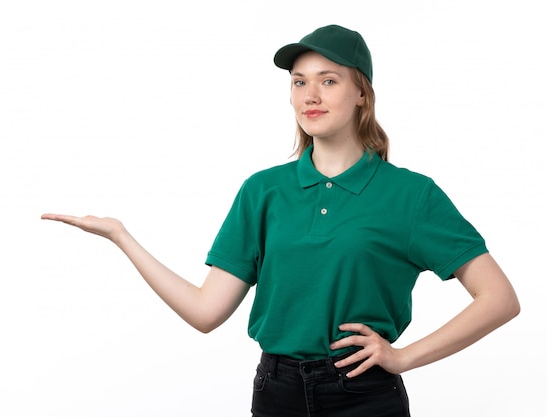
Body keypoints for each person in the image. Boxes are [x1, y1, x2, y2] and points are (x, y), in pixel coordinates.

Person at [41, 24, 520, 417]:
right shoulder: (263, 190)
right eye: (298, 81)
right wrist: (122, 237)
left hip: (364, 397)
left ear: (361, 93)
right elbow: (207, 312)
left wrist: (402, 358)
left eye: (328, 80)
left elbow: (499, 298)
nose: (310, 94)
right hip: (276, 394)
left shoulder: (411, 195)